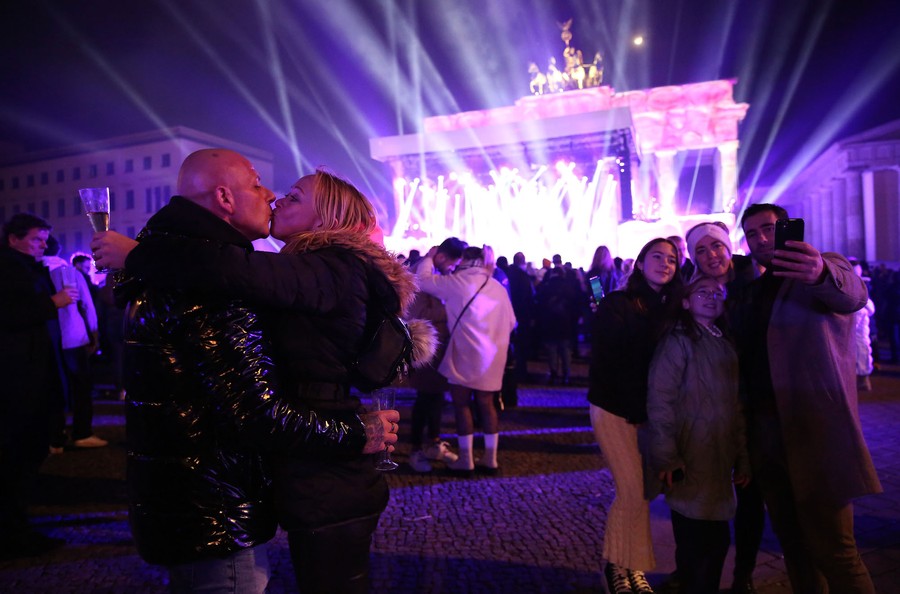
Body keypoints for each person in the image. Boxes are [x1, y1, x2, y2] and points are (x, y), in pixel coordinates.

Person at [90, 151, 401, 593]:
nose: (272, 197)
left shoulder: (328, 268)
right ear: (224, 197)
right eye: (260, 185)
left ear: (326, 218)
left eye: (293, 196)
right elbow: (257, 411)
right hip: (239, 495)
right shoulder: (230, 283)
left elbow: (229, 268)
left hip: (322, 474)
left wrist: (138, 255)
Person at [736, 203, 881, 593]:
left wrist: (819, 272)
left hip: (815, 433)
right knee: (795, 549)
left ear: (787, 229)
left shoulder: (820, 265)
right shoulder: (752, 289)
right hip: (766, 434)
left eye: (768, 229)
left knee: (836, 551)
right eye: (751, 234)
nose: (761, 239)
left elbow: (851, 293)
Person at [587, 237, 682, 594]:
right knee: (631, 490)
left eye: (671, 259)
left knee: (640, 491)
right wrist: (638, 409)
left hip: (651, 413)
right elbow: (611, 361)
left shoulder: (673, 308)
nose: (664, 263)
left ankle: (633, 567)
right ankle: (616, 568)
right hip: (614, 409)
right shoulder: (615, 301)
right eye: (656, 256)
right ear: (639, 264)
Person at [646, 276, 750, 594]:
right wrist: (666, 455)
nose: (710, 296)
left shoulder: (726, 343)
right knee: (696, 544)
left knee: (716, 543)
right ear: (686, 302)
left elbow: (737, 406)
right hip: (689, 455)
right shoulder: (677, 342)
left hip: (718, 459)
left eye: (717, 292)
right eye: (701, 292)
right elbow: (659, 400)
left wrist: (743, 458)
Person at [684, 220, 764, 594]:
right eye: (701, 250)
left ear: (728, 247)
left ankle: (743, 573)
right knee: (710, 490)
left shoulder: (756, 280)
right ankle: (700, 573)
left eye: (715, 246)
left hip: (758, 398)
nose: (710, 255)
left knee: (751, 493)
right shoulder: (692, 291)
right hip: (714, 401)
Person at [0, 213, 77, 559]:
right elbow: (9, 314)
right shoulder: (8, 268)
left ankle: (18, 526)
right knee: (16, 456)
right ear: (13, 239)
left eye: (44, 239)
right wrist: (52, 303)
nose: (43, 245)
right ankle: (13, 533)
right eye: (36, 239)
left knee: (27, 453)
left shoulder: (28, 266)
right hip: (17, 377)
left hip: (31, 372)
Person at [416, 244, 516, 474]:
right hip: (493, 356)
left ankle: (467, 460)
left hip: (465, 353)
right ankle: (491, 460)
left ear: (463, 262)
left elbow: (422, 280)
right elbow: (512, 322)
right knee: (487, 404)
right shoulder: (497, 287)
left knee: (462, 406)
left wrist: (430, 258)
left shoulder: (456, 283)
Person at [406, 236, 467, 473]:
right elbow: (419, 311)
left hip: (440, 348)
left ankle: (432, 442)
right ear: (441, 257)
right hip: (427, 347)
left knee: (436, 399)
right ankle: (415, 450)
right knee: (424, 400)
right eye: (452, 264)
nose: (453, 269)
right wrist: (450, 310)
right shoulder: (423, 279)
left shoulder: (436, 276)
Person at [43, 236, 106, 449]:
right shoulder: (68, 272)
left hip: (46, 338)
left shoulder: (31, 271)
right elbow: (87, 305)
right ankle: (81, 432)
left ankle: (54, 437)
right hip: (74, 335)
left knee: (52, 387)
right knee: (80, 386)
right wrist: (94, 334)